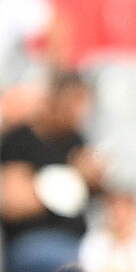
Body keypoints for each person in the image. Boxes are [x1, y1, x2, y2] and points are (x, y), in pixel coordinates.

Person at [0, 73, 100, 272]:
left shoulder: (76, 141)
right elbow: (12, 202)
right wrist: (74, 178)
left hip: (81, 243)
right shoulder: (20, 140)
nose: (80, 112)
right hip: (33, 244)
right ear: (55, 99)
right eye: (75, 101)